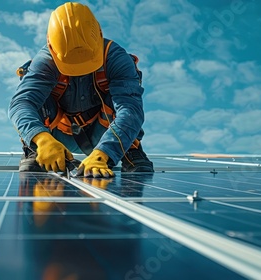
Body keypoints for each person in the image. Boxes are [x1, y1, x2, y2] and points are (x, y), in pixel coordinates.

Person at [9, 2, 153, 178]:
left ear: (100, 36)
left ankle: (130, 150)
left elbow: (130, 110)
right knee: (29, 97)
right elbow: (21, 104)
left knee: (128, 104)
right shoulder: (44, 62)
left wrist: (105, 152)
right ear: (51, 46)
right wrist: (42, 139)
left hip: (105, 134)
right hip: (57, 135)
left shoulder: (116, 58)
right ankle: (36, 150)